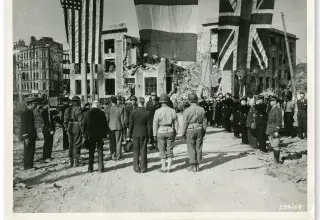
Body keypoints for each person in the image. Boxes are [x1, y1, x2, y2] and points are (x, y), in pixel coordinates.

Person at [153, 94, 179, 173]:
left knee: (162, 150)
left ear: (160, 102)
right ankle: (169, 168)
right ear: (168, 102)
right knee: (170, 149)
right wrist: (175, 132)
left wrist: (154, 134)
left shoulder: (157, 111)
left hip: (160, 131)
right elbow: (176, 123)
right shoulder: (172, 110)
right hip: (170, 130)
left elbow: (155, 123)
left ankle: (163, 167)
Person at [182, 93, 207, 172]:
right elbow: (205, 122)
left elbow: (185, 123)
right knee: (199, 147)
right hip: (199, 129)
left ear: (189, 101)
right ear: (196, 100)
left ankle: (193, 165)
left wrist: (183, 133)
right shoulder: (202, 109)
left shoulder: (187, 110)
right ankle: (198, 165)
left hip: (190, 130)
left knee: (191, 147)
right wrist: (203, 131)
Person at [82, 100, 108, 173]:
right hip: (99, 136)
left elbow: (83, 126)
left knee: (91, 152)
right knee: (100, 151)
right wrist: (104, 135)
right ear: (98, 105)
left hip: (90, 135)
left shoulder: (86, 113)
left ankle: (90, 168)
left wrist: (85, 135)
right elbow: (105, 125)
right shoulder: (102, 113)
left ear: (92, 105)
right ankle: (101, 168)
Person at [128, 97, 151, 173]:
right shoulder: (147, 112)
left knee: (136, 150)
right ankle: (143, 168)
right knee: (143, 150)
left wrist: (129, 135)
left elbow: (131, 125)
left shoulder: (133, 112)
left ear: (138, 102)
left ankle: (136, 167)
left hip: (135, 134)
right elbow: (149, 126)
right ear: (144, 102)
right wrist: (149, 136)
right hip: (144, 133)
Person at [64, 96, 83, 167]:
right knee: (77, 143)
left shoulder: (67, 109)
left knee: (71, 143)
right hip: (76, 125)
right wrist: (82, 130)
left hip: (69, 125)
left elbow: (65, 120)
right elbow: (80, 121)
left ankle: (70, 161)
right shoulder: (78, 109)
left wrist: (66, 128)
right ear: (77, 102)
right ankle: (76, 161)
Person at [20, 97, 38, 170]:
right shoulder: (25, 113)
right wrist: (26, 137)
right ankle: (27, 166)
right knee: (28, 150)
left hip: (31, 134)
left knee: (31, 150)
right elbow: (24, 126)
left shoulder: (30, 112)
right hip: (28, 135)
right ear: (30, 104)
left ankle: (30, 165)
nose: (35, 106)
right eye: (34, 104)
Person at [105, 96, 125, 160]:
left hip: (110, 128)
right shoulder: (120, 109)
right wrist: (123, 127)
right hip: (119, 127)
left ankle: (113, 155)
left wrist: (107, 127)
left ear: (110, 102)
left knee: (111, 142)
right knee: (118, 142)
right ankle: (118, 156)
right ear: (116, 101)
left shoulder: (107, 109)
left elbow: (107, 120)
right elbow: (122, 120)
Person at [266, 96, 282, 163]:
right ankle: (275, 159)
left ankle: (277, 161)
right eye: (270, 101)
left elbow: (279, 121)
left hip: (274, 129)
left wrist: (277, 130)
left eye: (272, 101)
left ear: (275, 101)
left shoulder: (277, 109)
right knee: (273, 144)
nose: (270, 102)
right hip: (270, 128)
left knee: (275, 145)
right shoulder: (271, 108)